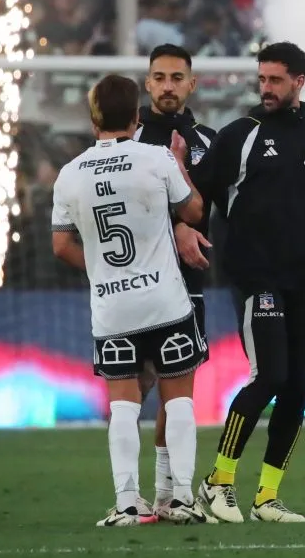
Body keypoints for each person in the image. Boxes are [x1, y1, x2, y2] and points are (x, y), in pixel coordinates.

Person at [195, 42, 305, 523]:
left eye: (275, 80)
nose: (266, 88)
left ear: (299, 81)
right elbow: (199, 197)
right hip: (256, 275)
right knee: (269, 375)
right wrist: (185, 227)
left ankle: (267, 496)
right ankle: (218, 481)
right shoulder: (240, 135)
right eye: (262, 80)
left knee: (297, 387)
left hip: (304, 279)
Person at [51, 74, 211, 527]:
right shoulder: (156, 158)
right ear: (137, 117)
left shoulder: (70, 174)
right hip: (164, 300)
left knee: (123, 404)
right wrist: (180, 165)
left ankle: (127, 503)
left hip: (112, 308)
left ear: (93, 118)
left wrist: (105, 270)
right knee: (177, 397)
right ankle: (181, 499)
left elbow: (61, 246)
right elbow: (194, 212)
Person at [133, 43, 215, 520]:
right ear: (148, 83)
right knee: (133, 385)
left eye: (176, 77)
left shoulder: (207, 139)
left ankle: (165, 494)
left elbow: (213, 203)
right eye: (159, 77)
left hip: (188, 281)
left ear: (191, 83)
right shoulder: (130, 137)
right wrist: (177, 223)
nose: (167, 85)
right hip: (138, 279)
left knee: (175, 383)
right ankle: (127, 492)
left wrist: (193, 227)